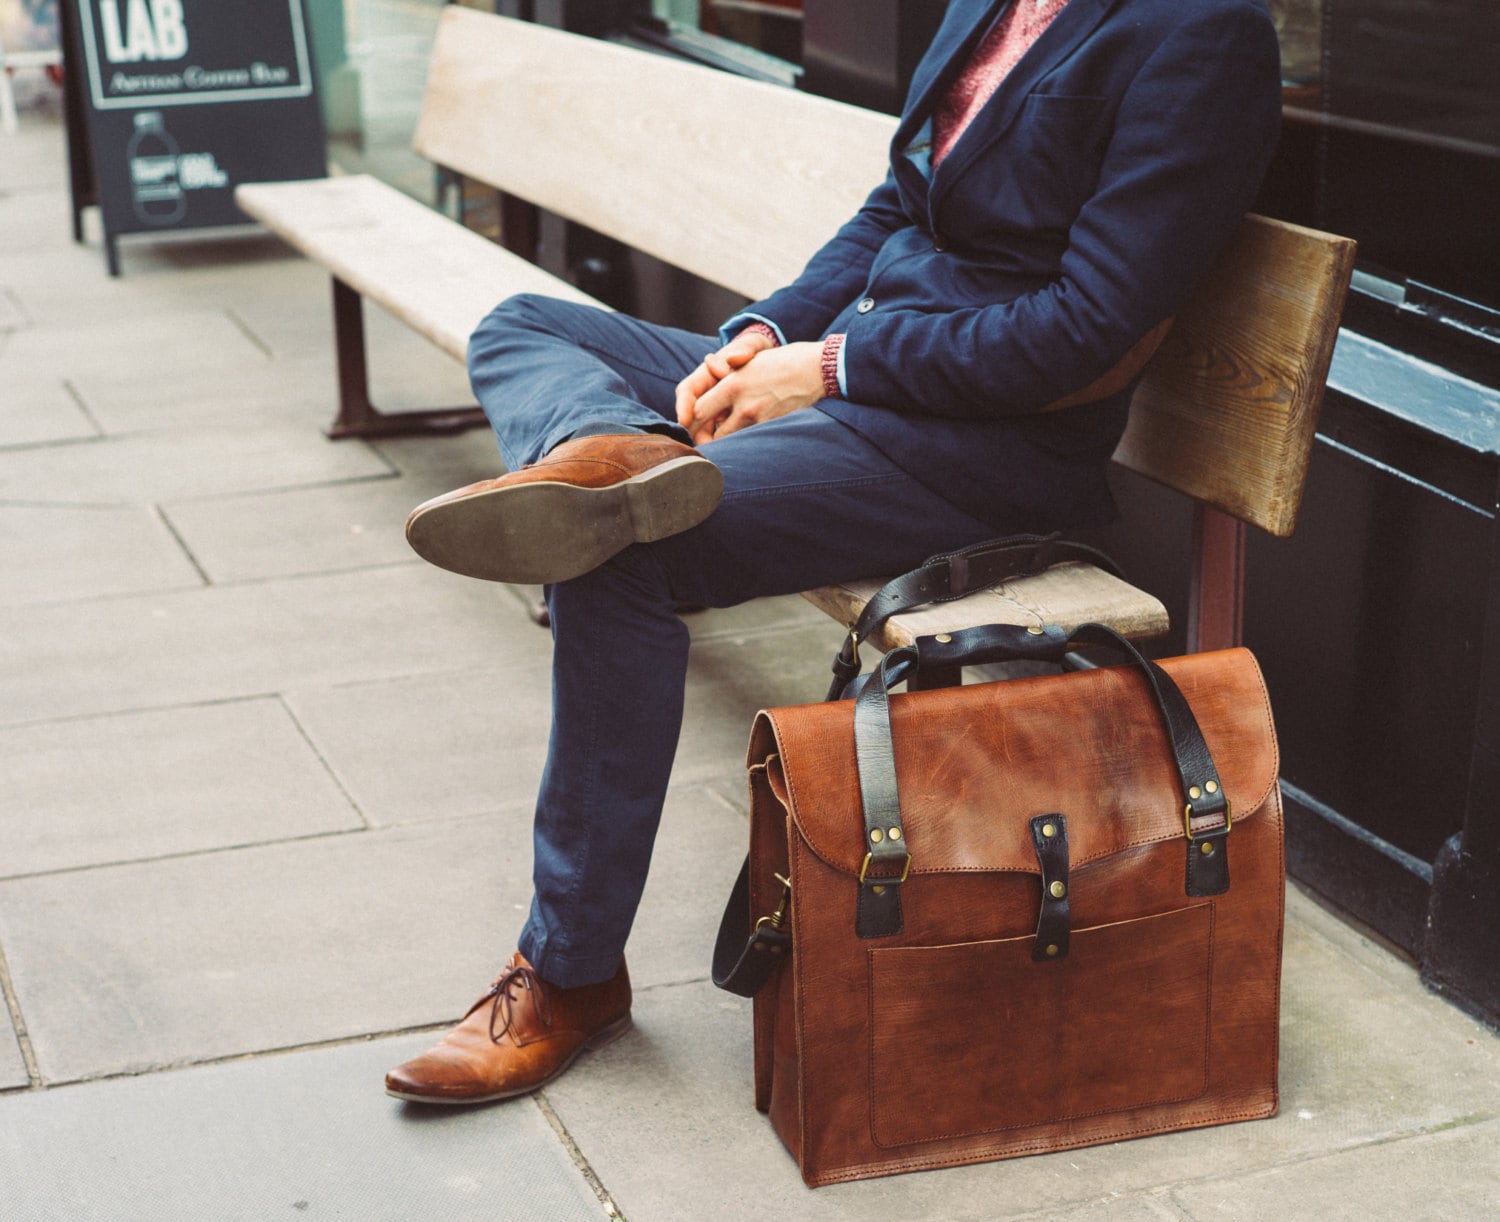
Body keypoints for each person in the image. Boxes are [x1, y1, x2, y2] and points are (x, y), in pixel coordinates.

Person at [384, 0, 1283, 1104]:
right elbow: (897, 207)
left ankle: (570, 973)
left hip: (977, 447)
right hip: (848, 377)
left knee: (616, 555)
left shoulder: (1202, 33)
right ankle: (611, 453)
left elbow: (1085, 331)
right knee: (529, 320)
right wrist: (762, 334)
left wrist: (832, 368)